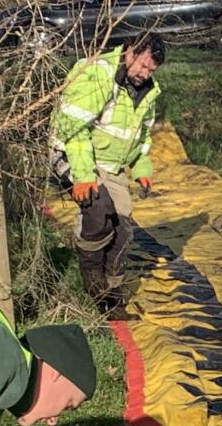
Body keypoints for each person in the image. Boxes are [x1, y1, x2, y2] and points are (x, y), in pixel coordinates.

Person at [51, 34, 164, 309]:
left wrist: (142, 168)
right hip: (72, 152)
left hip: (110, 165)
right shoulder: (97, 74)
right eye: (142, 65)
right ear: (129, 51)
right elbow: (73, 131)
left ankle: (112, 298)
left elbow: (140, 137)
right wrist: (84, 177)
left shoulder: (148, 93)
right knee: (97, 210)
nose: (144, 73)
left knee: (122, 231)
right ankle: (92, 284)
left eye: (151, 70)